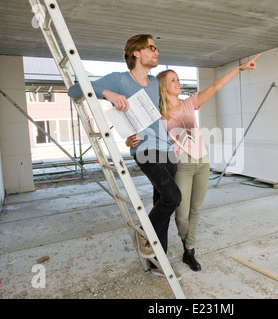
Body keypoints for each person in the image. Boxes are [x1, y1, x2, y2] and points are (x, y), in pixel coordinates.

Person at [127, 54, 261, 271]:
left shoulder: (189, 104)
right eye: (172, 80)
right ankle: (177, 241)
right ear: (163, 85)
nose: (178, 82)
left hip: (202, 163)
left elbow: (216, 85)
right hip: (181, 165)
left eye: (178, 79)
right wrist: (128, 140)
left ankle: (189, 251)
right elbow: (137, 132)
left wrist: (240, 69)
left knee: (196, 210)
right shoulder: (158, 114)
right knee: (181, 213)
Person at [68, 34, 181, 278]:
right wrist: (107, 93)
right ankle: (144, 234)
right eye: (151, 47)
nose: (156, 51)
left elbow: (169, 105)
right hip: (145, 149)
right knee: (173, 197)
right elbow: (74, 89)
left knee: (162, 206)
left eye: (156, 47)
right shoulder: (119, 80)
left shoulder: (154, 83)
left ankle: (157, 261)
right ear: (136, 53)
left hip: (168, 150)